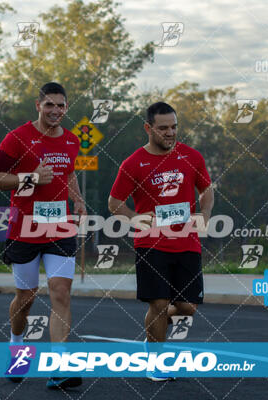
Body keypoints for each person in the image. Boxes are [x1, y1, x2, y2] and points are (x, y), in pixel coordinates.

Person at [0, 82, 86, 389]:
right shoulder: (17, 138)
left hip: (59, 226)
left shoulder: (71, 140)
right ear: (38, 105)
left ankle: (60, 365)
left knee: (60, 292)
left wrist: (78, 199)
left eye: (61, 106)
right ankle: (17, 346)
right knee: (25, 298)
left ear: (66, 108)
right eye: (50, 105)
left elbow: (68, 173)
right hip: (24, 228)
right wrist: (29, 177)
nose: (56, 111)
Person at [108, 101, 214, 381]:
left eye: (174, 127)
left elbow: (206, 189)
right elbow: (114, 202)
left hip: (186, 242)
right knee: (158, 302)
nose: (170, 133)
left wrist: (204, 213)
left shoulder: (191, 156)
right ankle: (156, 361)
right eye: (163, 128)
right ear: (148, 128)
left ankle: (151, 335)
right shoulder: (133, 163)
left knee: (188, 307)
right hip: (151, 244)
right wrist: (137, 219)